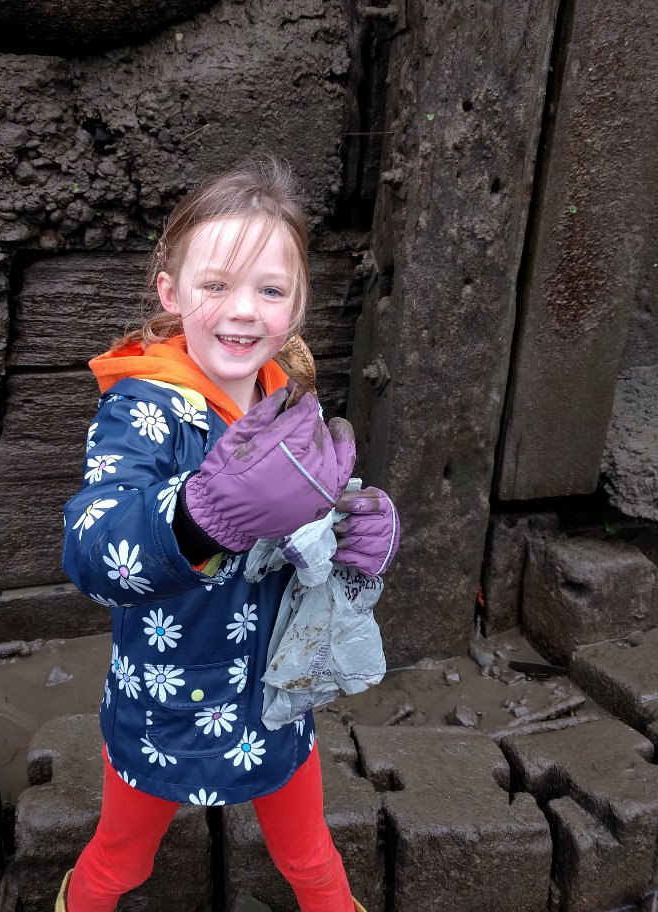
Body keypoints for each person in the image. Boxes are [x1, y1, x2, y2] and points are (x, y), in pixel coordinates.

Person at [57, 158, 400, 912]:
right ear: (171, 293)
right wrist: (197, 516)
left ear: (297, 305)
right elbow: (90, 549)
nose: (243, 310)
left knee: (311, 860)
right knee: (120, 862)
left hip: (274, 696)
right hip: (164, 700)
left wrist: (357, 544)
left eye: (270, 290)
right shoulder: (140, 411)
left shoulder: (292, 406)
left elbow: (314, 548)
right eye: (216, 284)